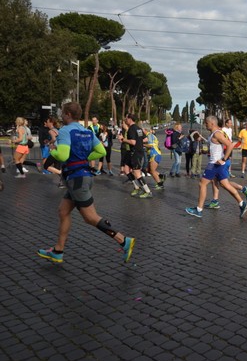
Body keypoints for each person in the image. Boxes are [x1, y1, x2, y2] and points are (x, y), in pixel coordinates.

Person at [36, 102, 135, 264]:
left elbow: (62, 155)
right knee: (63, 211)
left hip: (77, 180)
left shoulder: (65, 131)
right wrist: (84, 160)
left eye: (63, 113)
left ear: (68, 114)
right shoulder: (87, 132)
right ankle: (58, 251)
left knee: (90, 217)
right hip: (82, 177)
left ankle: (124, 240)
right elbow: (101, 151)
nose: (61, 115)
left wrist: (52, 152)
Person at [185, 115, 247, 218]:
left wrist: (223, 159)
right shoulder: (213, 134)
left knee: (202, 184)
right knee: (225, 185)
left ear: (212, 123)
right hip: (217, 163)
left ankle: (199, 210)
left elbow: (230, 145)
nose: (205, 125)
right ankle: (242, 203)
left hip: (214, 164)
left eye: (206, 123)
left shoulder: (217, 134)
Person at [120, 114, 153, 198]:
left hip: (135, 153)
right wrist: (139, 142)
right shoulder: (138, 128)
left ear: (130, 119)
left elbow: (133, 142)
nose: (125, 120)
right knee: (126, 169)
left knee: (137, 172)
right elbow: (145, 139)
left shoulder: (131, 129)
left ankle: (148, 191)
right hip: (133, 152)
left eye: (126, 118)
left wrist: (123, 139)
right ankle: (136, 187)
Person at [144, 125, 165, 190]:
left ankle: (160, 184)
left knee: (152, 171)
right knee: (148, 170)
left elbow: (151, 146)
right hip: (152, 155)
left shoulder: (150, 135)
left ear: (145, 130)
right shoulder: (150, 136)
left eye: (142, 130)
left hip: (155, 155)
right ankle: (161, 176)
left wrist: (142, 144)